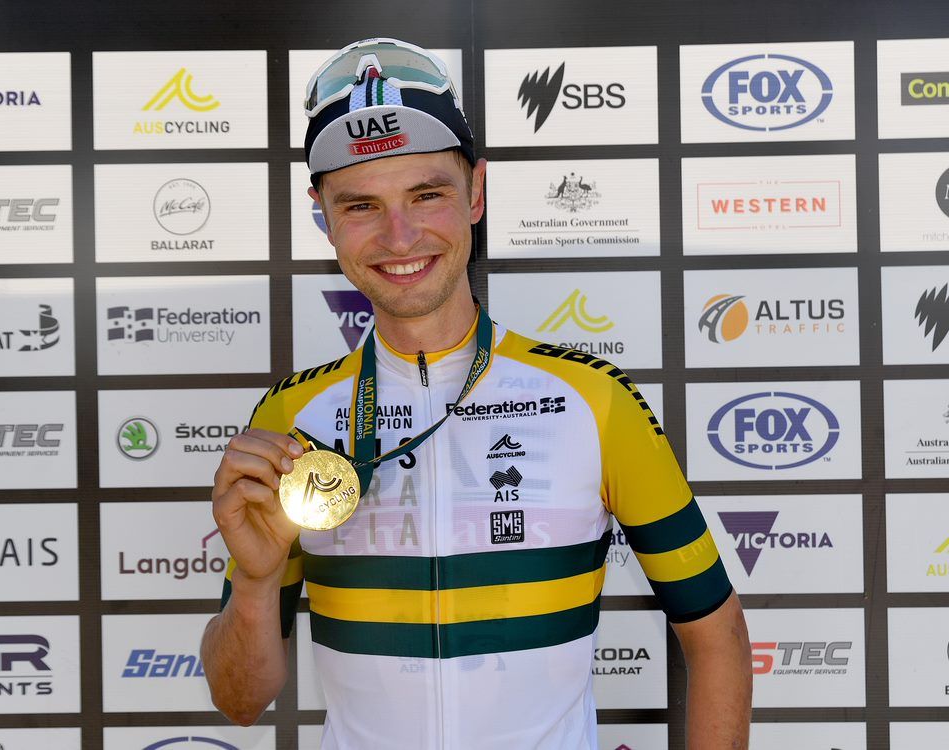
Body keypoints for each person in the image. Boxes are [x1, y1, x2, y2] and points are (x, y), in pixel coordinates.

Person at [202, 38, 752, 749]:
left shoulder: (593, 398)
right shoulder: (291, 416)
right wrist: (253, 583)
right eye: (361, 204)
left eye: (426, 194)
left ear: (477, 193)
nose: (399, 236)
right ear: (323, 215)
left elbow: (716, 634)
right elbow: (240, 703)